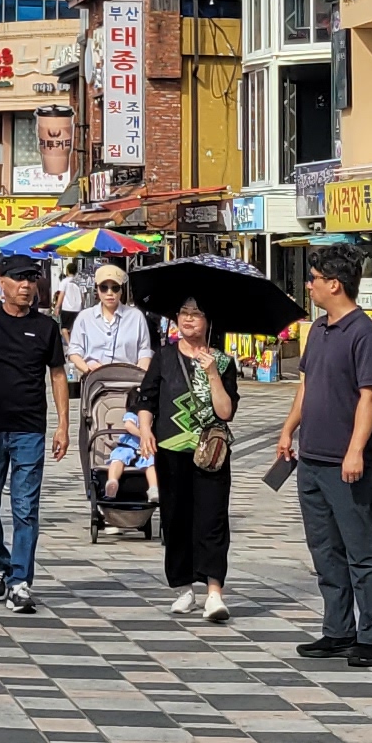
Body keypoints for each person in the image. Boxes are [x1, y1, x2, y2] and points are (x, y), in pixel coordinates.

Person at [277, 243, 372, 667]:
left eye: (314, 279)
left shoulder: (364, 334)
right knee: (325, 550)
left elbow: (370, 397)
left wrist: (355, 450)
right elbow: (306, 384)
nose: (309, 286)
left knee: (361, 550)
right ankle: (338, 629)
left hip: (347, 463)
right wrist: (289, 428)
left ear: (335, 284)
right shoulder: (319, 330)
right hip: (311, 459)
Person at [0, 255, 70, 615]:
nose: (26, 286)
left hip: (29, 429)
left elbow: (58, 375)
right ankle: (0, 565)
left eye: (31, 279)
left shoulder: (45, 327)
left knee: (25, 508)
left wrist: (63, 425)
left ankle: (20, 582)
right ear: (2, 282)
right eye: (19, 279)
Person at [149, 297, 238, 622]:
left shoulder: (223, 362)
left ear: (208, 321)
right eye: (183, 313)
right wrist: (144, 430)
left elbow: (226, 412)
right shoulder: (164, 356)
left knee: (212, 520)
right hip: (170, 451)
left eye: (196, 314)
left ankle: (214, 593)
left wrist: (212, 372)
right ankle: (183, 587)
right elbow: (147, 398)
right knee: (175, 520)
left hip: (210, 453)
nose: (188, 319)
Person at [64, 265, 150, 384]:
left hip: (129, 382)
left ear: (121, 290)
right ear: (97, 289)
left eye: (115, 288)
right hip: (95, 382)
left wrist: (140, 374)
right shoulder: (84, 317)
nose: (109, 293)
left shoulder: (136, 316)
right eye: (104, 288)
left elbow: (144, 351)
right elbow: (74, 351)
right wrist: (88, 369)